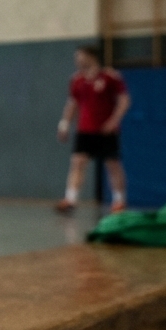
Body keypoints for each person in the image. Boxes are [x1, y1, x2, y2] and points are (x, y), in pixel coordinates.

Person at [56, 45, 130, 214]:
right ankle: (71, 199)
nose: (77, 60)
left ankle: (119, 201)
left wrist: (114, 120)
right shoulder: (77, 80)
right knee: (77, 163)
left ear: (91, 56)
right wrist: (64, 124)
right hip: (85, 130)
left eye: (80, 56)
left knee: (113, 164)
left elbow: (124, 100)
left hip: (106, 131)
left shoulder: (110, 76)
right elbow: (72, 104)